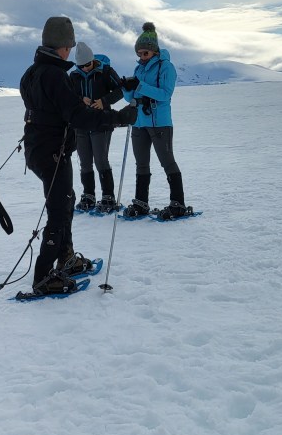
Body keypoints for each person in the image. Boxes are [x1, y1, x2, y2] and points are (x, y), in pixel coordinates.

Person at [20, 17, 138, 295]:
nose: (70, 51)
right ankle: (43, 276)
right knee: (59, 211)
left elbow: (51, 111)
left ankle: (68, 259)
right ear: (63, 46)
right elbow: (78, 116)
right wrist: (119, 117)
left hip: (39, 150)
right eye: (69, 45)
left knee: (66, 200)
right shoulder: (54, 75)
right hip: (53, 153)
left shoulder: (31, 73)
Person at [121, 22, 190, 219]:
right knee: (141, 164)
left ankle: (178, 203)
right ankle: (141, 202)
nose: (142, 57)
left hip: (160, 122)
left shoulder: (166, 67)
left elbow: (165, 94)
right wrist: (127, 88)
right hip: (140, 122)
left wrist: (140, 85)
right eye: (139, 53)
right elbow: (131, 98)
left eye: (145, 53)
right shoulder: (139, 69)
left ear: (154, 51)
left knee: (167, 162)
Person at [69, 41, 125, 214]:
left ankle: (108, 196)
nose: (85, 69)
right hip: (81, 125)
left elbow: (121, 90)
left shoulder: (105, 72)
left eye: (87, 64)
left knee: (101, 160)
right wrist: (80, 99)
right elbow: (67, 96)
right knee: (85, 162)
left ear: (92, 60)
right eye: (81, 66)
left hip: (102, 122)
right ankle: (88, 195)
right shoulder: (73, 76)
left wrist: (104, 101)